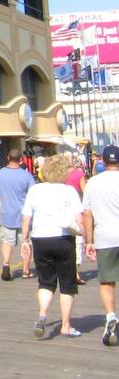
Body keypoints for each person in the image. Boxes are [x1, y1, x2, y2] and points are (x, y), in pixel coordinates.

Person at [21, 154, 84, 339]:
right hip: (63, 238)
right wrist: (87, 237)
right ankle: (66, 325)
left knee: (46, 282)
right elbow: (79, 218)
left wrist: (25, 239)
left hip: (40, 238)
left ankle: (42, 314)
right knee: (67, 284)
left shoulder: (35, 190)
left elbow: (26, 217)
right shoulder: (69, 191)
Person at [83, 145, 119, 346]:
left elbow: (87, 213)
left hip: (104, 237)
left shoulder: (93, 183)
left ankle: (111, 315)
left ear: (103, 162)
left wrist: (89, 241)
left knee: (107, 282)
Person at [0, 150, 37, 281]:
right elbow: (33, 195)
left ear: (7, 158)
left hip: (6, 215)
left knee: (7, 241)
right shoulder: (27, 176)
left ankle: (6, 263)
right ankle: (26, 270)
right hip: (25, 216)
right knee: (26, 242)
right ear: (21, 159)